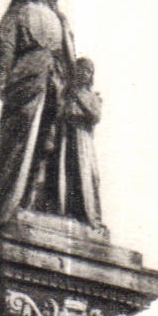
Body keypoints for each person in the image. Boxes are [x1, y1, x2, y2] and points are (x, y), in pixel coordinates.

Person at [0, 0, 100, 233]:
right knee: (20, 147)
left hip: (58, 88)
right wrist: (7, 84)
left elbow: (69, 57)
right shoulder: (18, 14)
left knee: (52, 148)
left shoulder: (60, 19)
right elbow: (2, 53)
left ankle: (43, 203)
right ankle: (9, 206)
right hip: (28, 88)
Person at [59, 57, 104, 229]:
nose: (83, 73)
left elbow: (95, 116)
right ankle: (69, 210)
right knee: (68, 173)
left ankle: (90, 215)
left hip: (83, 137)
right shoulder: (67, 94)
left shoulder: (92, 97)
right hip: (67, 136)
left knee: (86, 174)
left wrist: (78, 99)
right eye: (80, 70)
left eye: (87, 71)